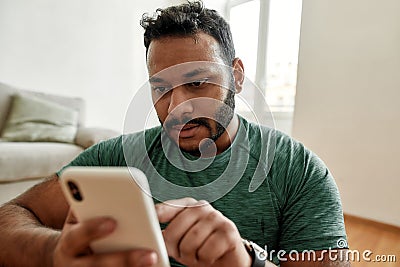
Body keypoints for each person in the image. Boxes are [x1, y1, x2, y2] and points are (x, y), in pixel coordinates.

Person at [0, 1, 350, 266]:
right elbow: (10, 218)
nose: (177, 106)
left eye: (197, 82)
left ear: (237, 76)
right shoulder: (114, 158)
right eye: (161, 87)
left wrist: (250, 261)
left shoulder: (299, 170)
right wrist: (55, 250)